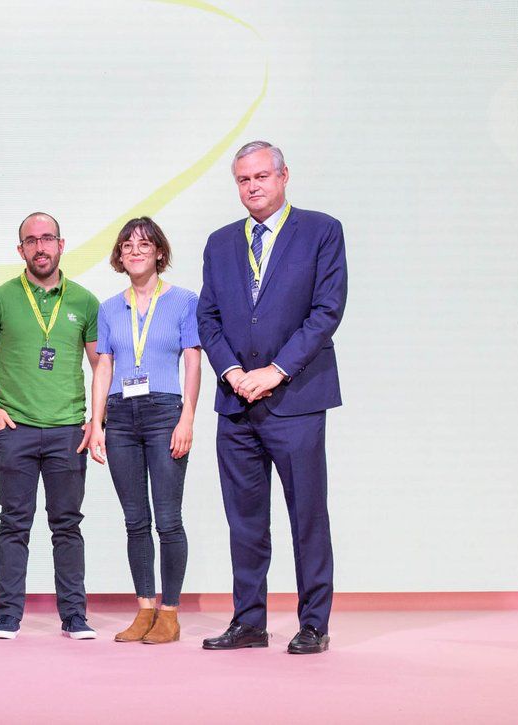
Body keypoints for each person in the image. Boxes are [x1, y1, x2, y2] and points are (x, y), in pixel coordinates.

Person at [197, 141, 347, 655]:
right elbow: (208, 318)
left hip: (296, 399)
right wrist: (234, 371)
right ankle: (249, 623)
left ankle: (314, 624)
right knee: (244, 521)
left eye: (262, 176)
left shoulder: (321, 230)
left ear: (284, 176)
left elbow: (326, 312)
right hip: (236, 402)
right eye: (243, 179)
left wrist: (275, 371)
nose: (253, 186)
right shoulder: (220, 242)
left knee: (307, 517)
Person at [0, 212, 101, 641]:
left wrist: (97, 420)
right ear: (20, 249)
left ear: (61, 244)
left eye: (47, 239)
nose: (40, 247)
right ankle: (7, 616)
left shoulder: (84, 301)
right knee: (13, 524)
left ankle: (75, 617)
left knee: (67, 526)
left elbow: (102, 365)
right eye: (31, 241)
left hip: (68, 430)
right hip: (16, 430)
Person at [86, 217, 201, 644]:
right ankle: (145, 609)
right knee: (135, 520)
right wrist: (97, 422)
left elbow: (192, 361)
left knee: (168, 520)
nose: (135, 251)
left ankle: (169, 614)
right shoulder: (108, 308)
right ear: (119, 255)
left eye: (144, 244)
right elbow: (104, 367)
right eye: (127, 245)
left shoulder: (184, 300)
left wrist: (187, 417)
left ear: (159, 252)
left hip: (164, 412)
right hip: (120, 415)